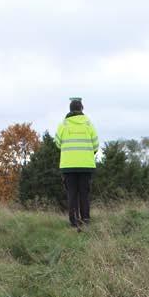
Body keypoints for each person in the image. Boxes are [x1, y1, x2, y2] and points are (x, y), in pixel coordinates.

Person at [55, 98, 99, 230]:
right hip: (86, 165)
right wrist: (87, 154)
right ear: (81, 109)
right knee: (84, 194)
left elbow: (57, 143)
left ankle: (74, 221)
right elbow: (96, 144)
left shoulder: (63, 124)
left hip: (68, 166)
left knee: (72, 194)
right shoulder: (88, 124)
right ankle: (85, 220)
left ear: (70, 109)